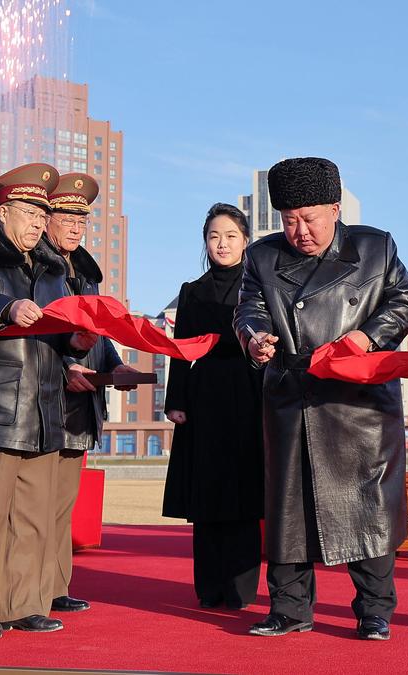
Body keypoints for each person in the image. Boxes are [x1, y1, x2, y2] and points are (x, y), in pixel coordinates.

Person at [234, 157, 408, 641]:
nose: (300, 231)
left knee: (367, 506)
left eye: (310, 219)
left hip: (358, 400)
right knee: (287, 509)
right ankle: (288, 608)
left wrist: (367, 337)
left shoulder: (375, 247)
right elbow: (249, 308)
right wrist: (254, 337)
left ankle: (374, 610)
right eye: (289, 220)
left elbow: (405, 300)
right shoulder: (262, 256)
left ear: (335, 210)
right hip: (291, 395)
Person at [0, 162, 98, 640]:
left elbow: (58, 330)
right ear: (4, 211)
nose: (37, 223)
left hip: (45, 407)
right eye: (30, 213)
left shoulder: (52, 269)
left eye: (41, 215)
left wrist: (76, 343)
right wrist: (7, 308)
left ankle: (25, 604)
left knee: (33, 516)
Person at [40, 172, 139, 614]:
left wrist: (116, 366)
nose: (76, 227)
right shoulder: (37, 270)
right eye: (67, 218)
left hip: (81, 406)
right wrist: (64, 367)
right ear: (46, 220)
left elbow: (96, 336)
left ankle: (54, 587)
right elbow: (33, 337)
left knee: (61, 508)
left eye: (82, 220)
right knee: (35, 507)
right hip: (46, 401)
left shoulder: (85, 274)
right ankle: (28, 590)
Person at [162, 203, 264, 611]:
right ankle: (209, 587)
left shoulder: (260, 286)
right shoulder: (192, 290)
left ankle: (240, 590)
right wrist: (176, 400)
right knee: (206, 494)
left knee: (244, 494)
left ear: (246, 241)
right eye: (214, 237)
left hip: (249, 392)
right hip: (203, 397)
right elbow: (180, 349)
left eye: (231, 236)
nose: (222, 244)